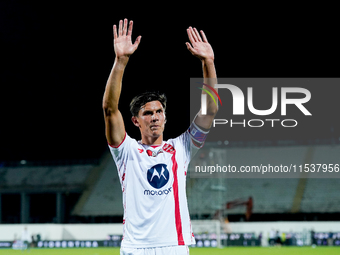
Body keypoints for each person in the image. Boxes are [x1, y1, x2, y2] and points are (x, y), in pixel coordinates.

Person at [102, 18, 218, 255]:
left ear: (165, 117)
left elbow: (210, 109)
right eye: (147, 113)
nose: (154, 117)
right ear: (135, 120)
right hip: (136, 248)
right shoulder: (126, 151)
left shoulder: (182, 147)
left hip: (174, 246)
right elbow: (110, 109)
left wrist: (208, 62)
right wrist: (121, 61)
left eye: (159, 112)